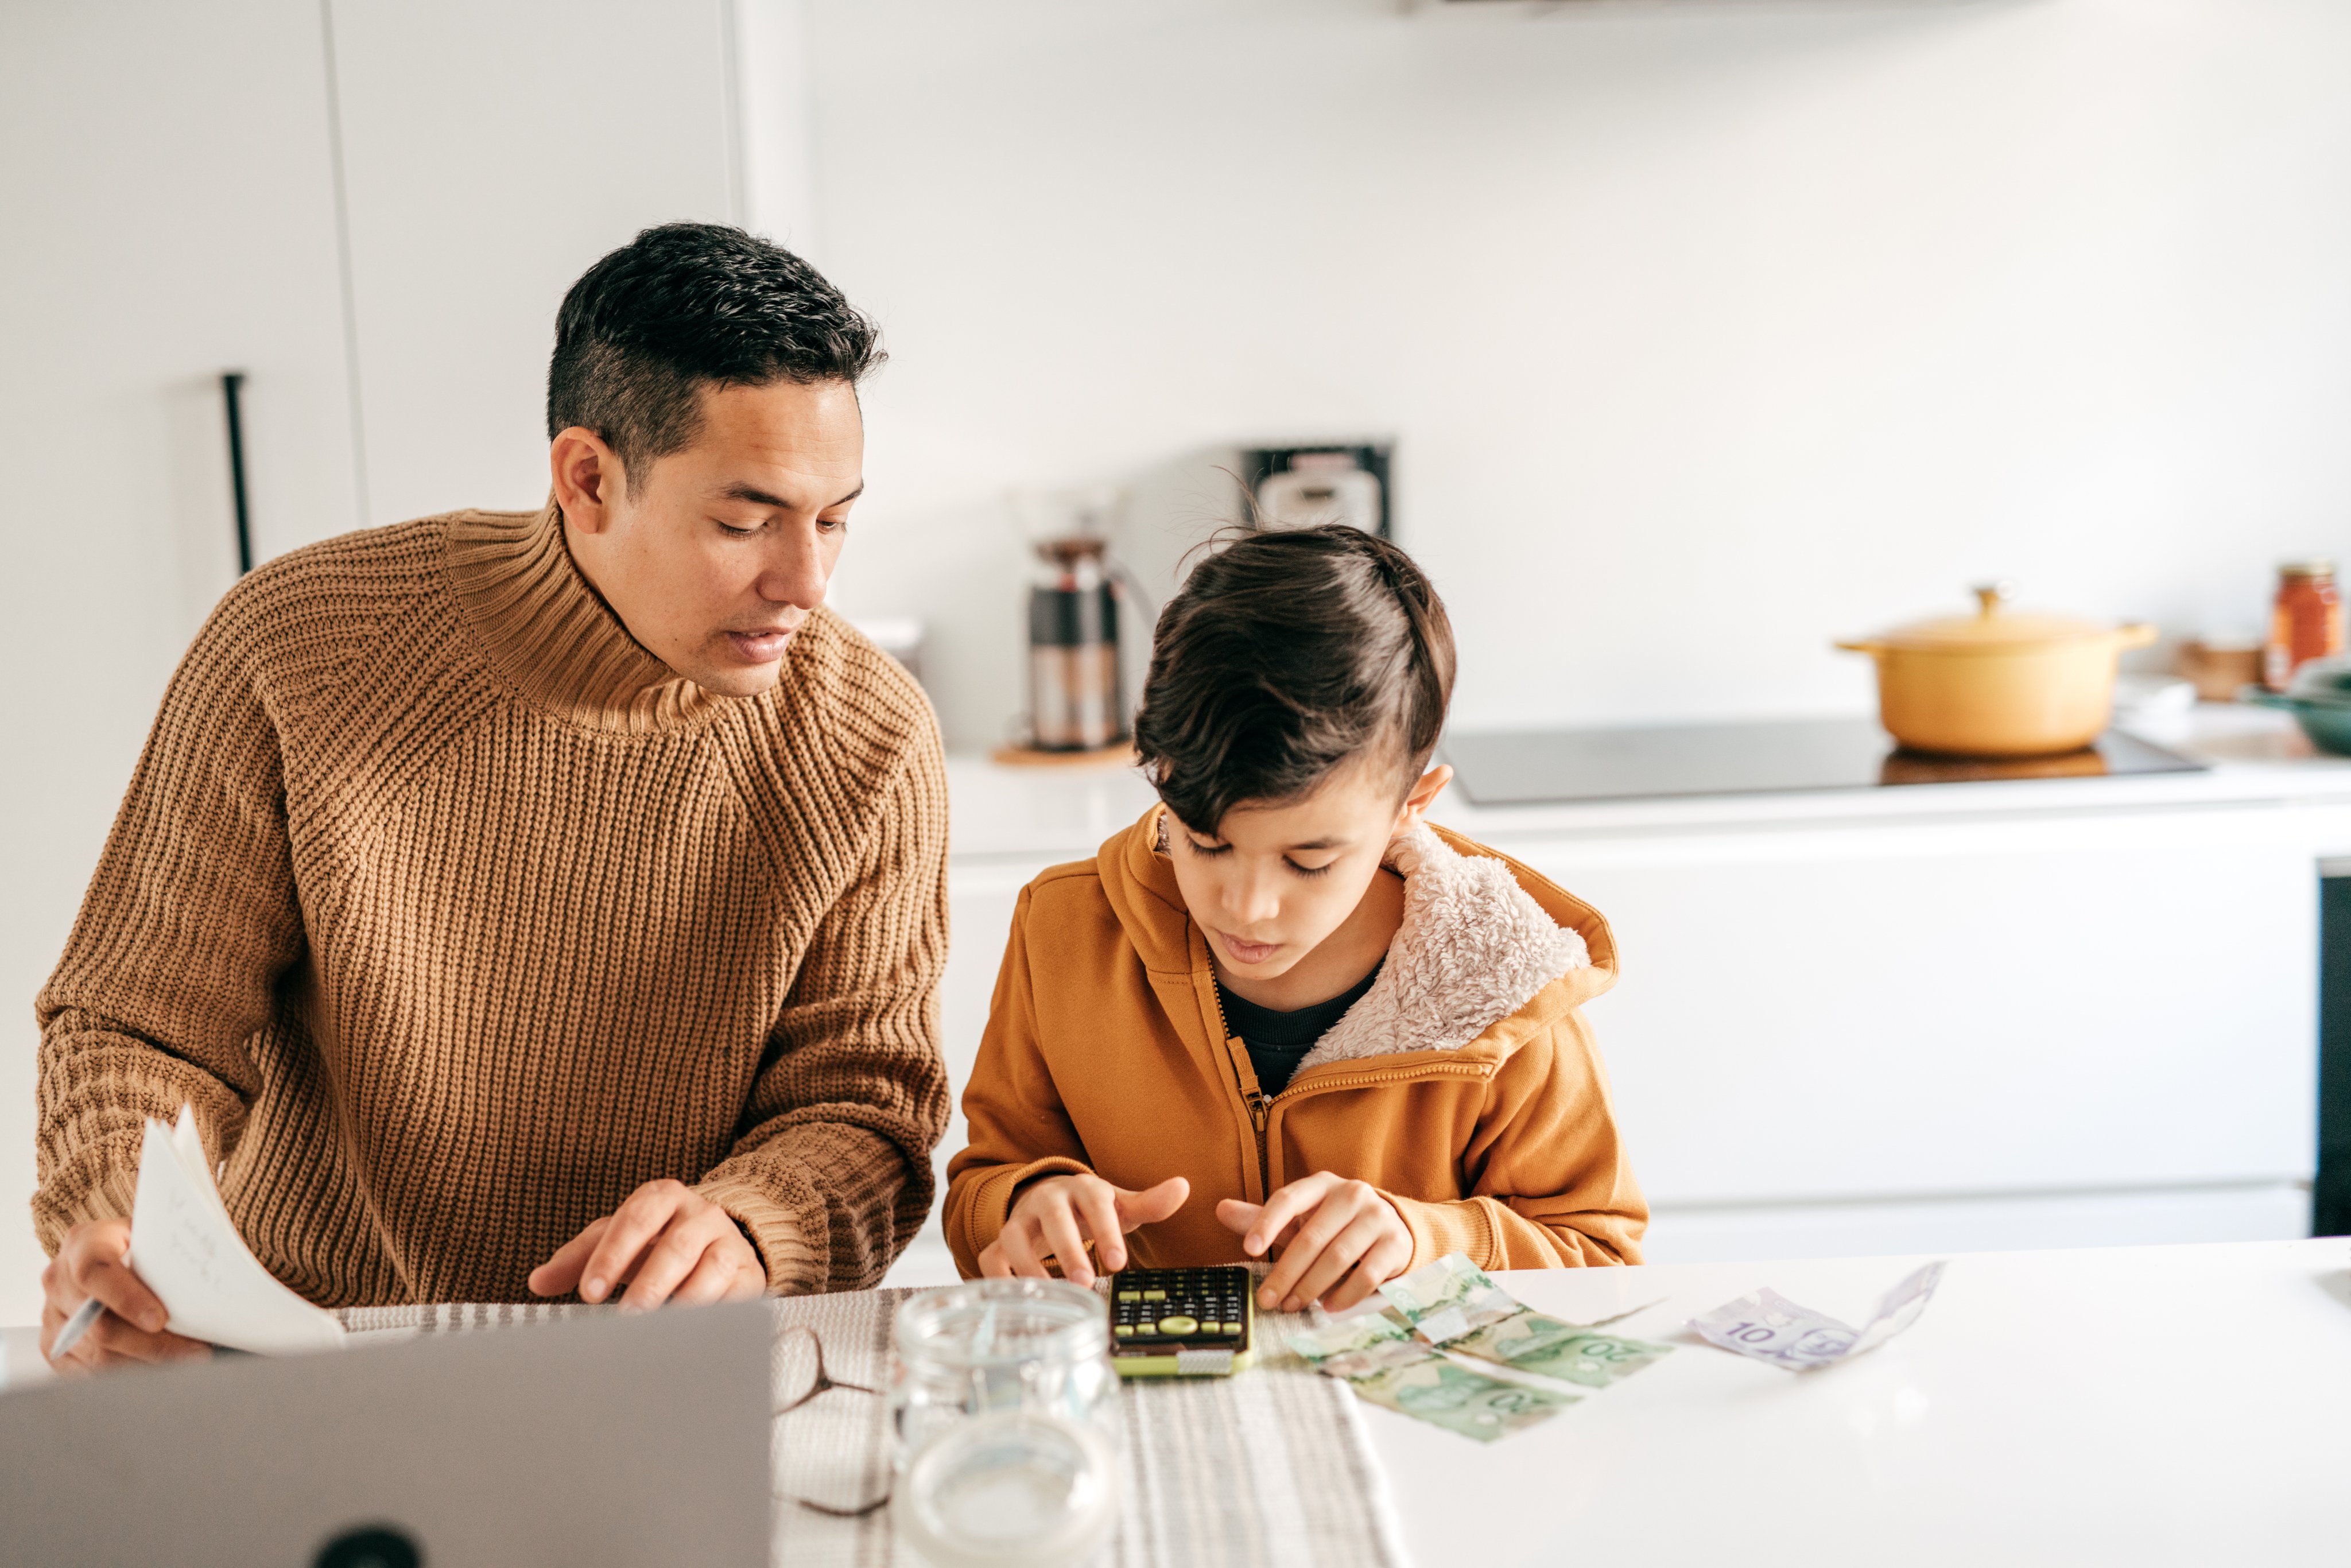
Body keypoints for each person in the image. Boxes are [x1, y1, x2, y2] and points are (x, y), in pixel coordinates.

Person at [36, 223, 949, 1371]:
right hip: (301, 1351)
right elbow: (139, 1025)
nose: (806, 582)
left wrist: (749, 1228)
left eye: (833, 518)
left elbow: (865, 1106)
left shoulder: (869, 736)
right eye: (742, 521)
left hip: (666, 1366)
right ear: (587, 479)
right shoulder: (301, 648)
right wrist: (121, 1242)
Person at [943, 526, 1644, 1315]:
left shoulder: (1507, 984)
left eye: (1308, 862)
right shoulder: (1063, 927)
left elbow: (1601, 1254)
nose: (1245, 908)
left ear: (1411, 807)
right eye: (1203, 841)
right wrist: (1026, 1203)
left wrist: (1428, 1240)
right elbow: (983, 1189)